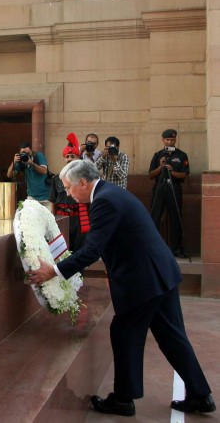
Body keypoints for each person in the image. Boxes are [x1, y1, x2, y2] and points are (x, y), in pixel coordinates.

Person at [27, 160, 215, 417]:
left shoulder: (104, 201)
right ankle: (200, 395)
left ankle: (123, 400)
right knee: (172, 337)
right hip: (160, 274)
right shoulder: (111, 193)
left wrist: (55, 271)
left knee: (125, 332)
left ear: (83, 183)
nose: (68, 193)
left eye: (69, 187)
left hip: (144, 280)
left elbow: (93, 249)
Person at [149, 129, 189, 259]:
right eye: (167, 140)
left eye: (172, 140)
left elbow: (184, 174)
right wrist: (161, 166)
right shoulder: (158, 155)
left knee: (175, 217)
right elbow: (150, 175)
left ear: (175, 140)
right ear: (163, 140)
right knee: (155, 217)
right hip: (160, 187)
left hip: (174, 188)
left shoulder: (181, 155)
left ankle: (176, 248)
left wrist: (172, 172)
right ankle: (152, 248)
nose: (170, 142)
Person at [49, 133, 90, 252]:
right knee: (62, 251)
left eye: (72, 156)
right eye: (67, 156)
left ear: (77, 158)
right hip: (62, 218)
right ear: (64, 159)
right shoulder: (57, 179)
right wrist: (53, 221)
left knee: (80, 251)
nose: (69, 159)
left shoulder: (85, 178)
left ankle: (79, 271)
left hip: (80, 219)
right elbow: (52, 201)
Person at [6, 141, 51, 209]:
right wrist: (14, 162)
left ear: (31, 151)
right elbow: (9, 175)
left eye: (27, 153)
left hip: (45, 197)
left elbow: (44, 171)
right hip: (32, 197)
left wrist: (32, 164)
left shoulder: (38, 156)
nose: (25, 155)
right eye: (23, 153)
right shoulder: (21, 161)